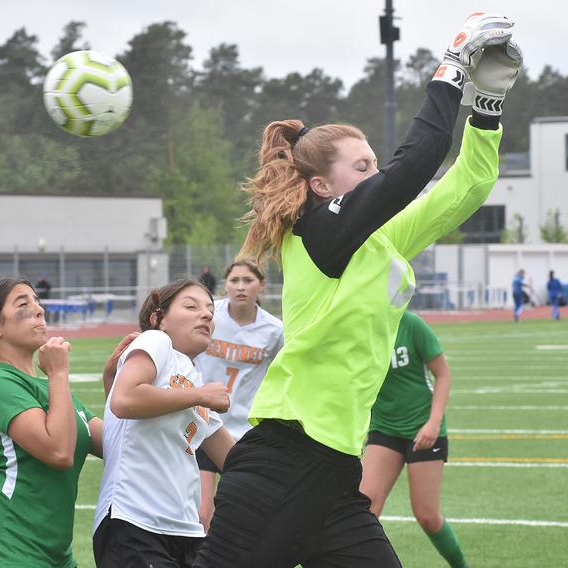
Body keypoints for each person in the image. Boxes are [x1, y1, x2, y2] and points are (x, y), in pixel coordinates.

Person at [191, 13, 522, 567]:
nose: (376, 173)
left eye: (374, 162)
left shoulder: (382, 239)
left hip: (337, 467)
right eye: (362, 165)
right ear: (323, 187)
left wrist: (486, 101)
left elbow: (469, 184)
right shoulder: (318, 231)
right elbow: (416, 161)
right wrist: (454, 64)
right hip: (283, 461)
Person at [0, 278, 102, 568]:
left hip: (54, 556)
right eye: (24, 304)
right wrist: (58, 374)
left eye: (37, 301)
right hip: (2, 550)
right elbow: (59, 452)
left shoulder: (49, 388)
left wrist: (120, 382)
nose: (39, 309)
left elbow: (117, 443)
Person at [93, 279, 234, 568]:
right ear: (159, 319)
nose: (207, 314)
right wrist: (200, 395)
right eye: (191, 306)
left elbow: (234, 459)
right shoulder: (157, 341)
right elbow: (125, 399)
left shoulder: (193, 377)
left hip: (185, 530)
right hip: (135, 522)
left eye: (210, 309)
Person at [360, 311, 466, 568]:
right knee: (364, 509)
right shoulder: (361, 327)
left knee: (427, 516)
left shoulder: (411, 325)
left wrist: (433, 422)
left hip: (424, 429)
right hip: (384, 428)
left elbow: (442, 374)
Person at [193, 259, 284, 530]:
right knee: (201, 516)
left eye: (248, 281)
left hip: (246, 434)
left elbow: (281, 379)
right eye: (234, 281)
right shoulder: (209, 317)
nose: (241, 287)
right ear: (225, 285)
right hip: (204, 424)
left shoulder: (274, 330)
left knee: (246, 516)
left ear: (262, 286)